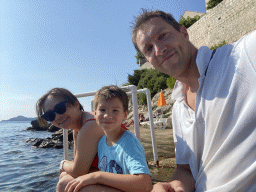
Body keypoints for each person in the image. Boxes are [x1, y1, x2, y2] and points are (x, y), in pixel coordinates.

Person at [131, 9, 256, 192]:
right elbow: (186, 170)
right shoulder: (177, 109)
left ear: (184, 32)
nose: (159, 49)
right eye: (149, 48)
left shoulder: (242, 55)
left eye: (163, 36)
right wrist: (172, 186)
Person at [64, 85, 152, 192]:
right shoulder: (102, 142)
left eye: (115, 110)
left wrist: (98, 176)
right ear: (95, 114)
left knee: (77, 188)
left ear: (125, 115)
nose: (107, 115)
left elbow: (145, 184)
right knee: (66, 180)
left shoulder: (129, 143)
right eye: (102, 110)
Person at [36, 88, 105, 192]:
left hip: (126, 179)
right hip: (112, 173)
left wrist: (63, 163)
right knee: (65, 176)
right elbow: (79, 168)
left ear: (76, 104)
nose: (57, 116)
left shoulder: (90, 125)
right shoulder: (78, 128)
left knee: (65, 183)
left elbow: (78, 172)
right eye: (50, 115)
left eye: (60, 108)